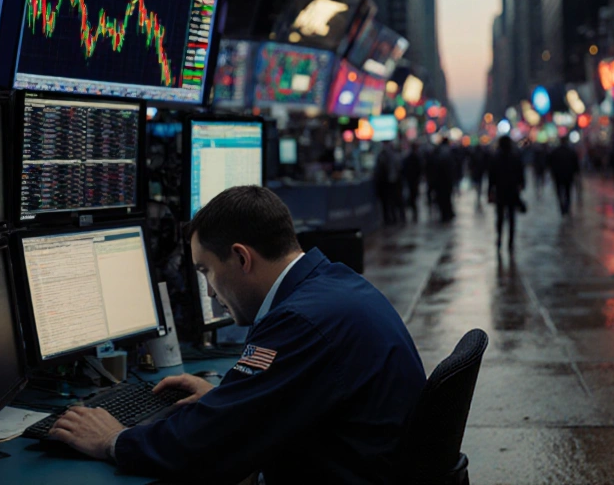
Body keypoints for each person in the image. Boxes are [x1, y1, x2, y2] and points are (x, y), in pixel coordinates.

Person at [47, 186, 426, 484]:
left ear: (242, 258)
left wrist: (113, 440)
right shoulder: (332, 284)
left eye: (206, 271)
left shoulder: (298, 321)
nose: (210, 292)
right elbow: (281, 399)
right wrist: (232, 401)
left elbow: (203, 447)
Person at [487, 136, 525, 250]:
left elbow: (491, 176)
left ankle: (499, 237)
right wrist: (521, 184)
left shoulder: (495, 157)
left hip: (500, 190)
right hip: (512, 190)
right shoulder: (515, 156)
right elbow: (520, 173)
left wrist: (490, 190)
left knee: (500, 216)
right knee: (512, 216)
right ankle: (511, 240)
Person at [548, 139, 581, 215]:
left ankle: (562, 206)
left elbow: (550, 163)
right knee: (568, 192)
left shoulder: (555, 152)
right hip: (568, 175)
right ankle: (567, 206)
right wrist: (576, 173)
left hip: (558, 175)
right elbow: (576, 164)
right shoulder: (571, 152)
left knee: (559, 192)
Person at [401, 142, 424, 222]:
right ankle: (414, 211)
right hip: (413, 180)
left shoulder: (409, 157)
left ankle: (413, 211)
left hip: (411, 180)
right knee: (413, 196)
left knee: (412, 195)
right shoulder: (416, 157)